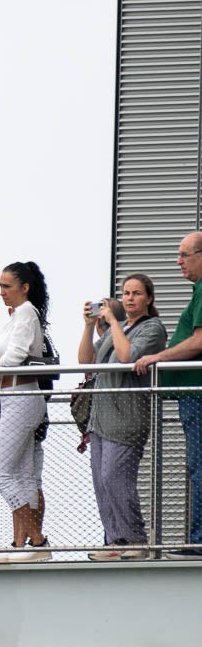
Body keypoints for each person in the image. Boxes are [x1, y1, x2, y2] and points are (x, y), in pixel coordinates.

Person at [78, 286, 166, 560]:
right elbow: (86, 361)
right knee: (101, 482)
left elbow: (127, 357)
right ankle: (114, 542)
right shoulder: (119, 330)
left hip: (127, 417)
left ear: (148, 298)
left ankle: (136, 539)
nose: (129, 298)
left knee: (115, 478)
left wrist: (114, 322)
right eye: (126, 293)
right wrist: (90, 326)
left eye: (136, 293)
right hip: (101, 419)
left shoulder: (152, 329)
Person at [136, 231, 202, 559]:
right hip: (192, 395)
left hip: (198, 395)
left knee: (199, 465)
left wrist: (156, 357)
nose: (179, 261)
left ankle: (200, 539)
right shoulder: (198, 291)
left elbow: (199, 341)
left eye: (185, 254)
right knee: (196, 465)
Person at [0, 262, 54, 562]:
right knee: (23, 475)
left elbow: (16, 355)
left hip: (22, 398)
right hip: (12, 396)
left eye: (7, 286)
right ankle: (23, 544)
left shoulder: (27, 311)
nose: (1, 292)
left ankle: (37, 541)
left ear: (24, 287)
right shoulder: (17, 315)